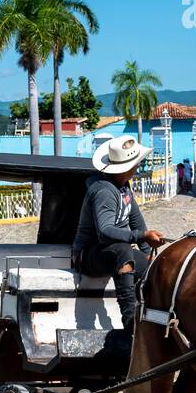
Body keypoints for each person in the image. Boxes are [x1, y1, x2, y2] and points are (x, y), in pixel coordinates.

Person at [71, 135, 164, 348]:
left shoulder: (124, 186)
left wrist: (147, 249)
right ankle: (130, 320)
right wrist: (141, 237)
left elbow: (135, 219)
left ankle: (152, 318)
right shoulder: (104, 190)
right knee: (123, 251)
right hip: (89, 256)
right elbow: (104, 232)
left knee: (155, 268)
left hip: (113, 253)